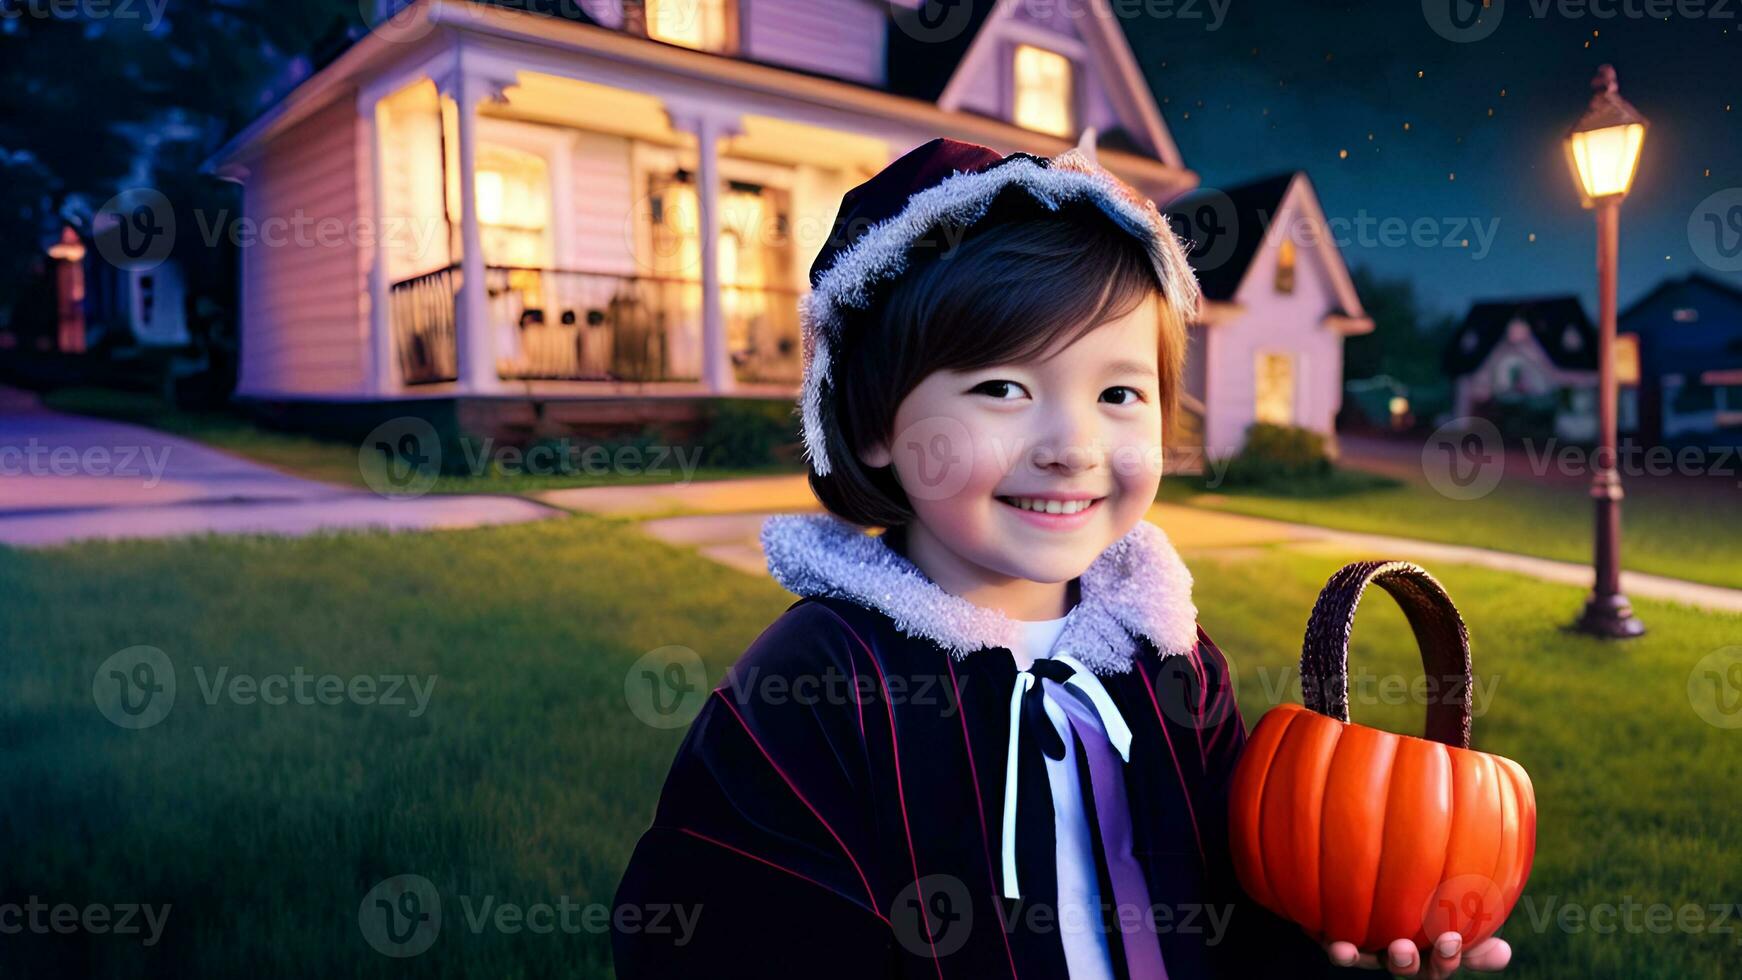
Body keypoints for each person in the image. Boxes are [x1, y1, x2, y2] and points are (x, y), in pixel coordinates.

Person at [612, 137, 1511, 979]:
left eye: (1120, 391)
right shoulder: (818, 684)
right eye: (1003, 387)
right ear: (874, 422)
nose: (1072, 446)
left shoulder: (1172, 668)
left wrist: (1334, 935)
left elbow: (1232, 912)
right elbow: (725, 931)